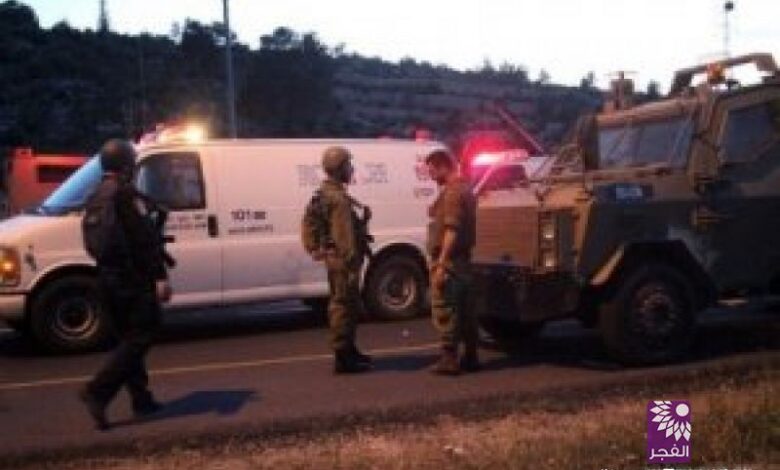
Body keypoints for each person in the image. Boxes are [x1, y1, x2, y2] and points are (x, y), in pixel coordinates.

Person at [79, 139, 173, 430]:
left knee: (128, 338)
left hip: (106, 277)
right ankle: (97, 391)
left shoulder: (96, 194)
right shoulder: (124, 195)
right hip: (132, 279)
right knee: (143, 334)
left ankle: (141, 400)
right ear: (126, 165)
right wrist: (159, 276)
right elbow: (144, 240)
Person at [303, 146, 373, 374]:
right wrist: (352, 265)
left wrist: (316, 249)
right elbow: (345, 238)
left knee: (344, 304)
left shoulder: (324, 194)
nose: (351, 169)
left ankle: (349, 349)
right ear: (339, 168)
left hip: (334, 259)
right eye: (348, 165)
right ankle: (343, 357)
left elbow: (308, 224)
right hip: (344, 261)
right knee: (344, 305)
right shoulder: (339, 200)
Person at [425, 149, 479, 375]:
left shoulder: (453, 193)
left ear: (442, 167)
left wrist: (441, 264)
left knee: (446, 306)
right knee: (465, 309)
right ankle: (471, 356)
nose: (430, 176)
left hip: (451, 261)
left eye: (431, 171)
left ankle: (449, 359)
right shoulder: (465, 189)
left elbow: (452, 229)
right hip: (463, 260)